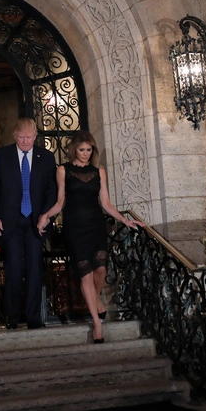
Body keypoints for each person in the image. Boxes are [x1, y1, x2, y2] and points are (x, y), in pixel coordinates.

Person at [37, 131, 143, 343]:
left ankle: (94, 298)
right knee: (85, 274)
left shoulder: (99, 171)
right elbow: (60, 202)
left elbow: (105, 203)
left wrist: (125, 221)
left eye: (88, 150)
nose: (85, 154)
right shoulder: (63, 170)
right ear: (74, 149)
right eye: (81, 150)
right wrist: (45, 216)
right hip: (74, 227)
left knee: (101, 269)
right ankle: (97, 323)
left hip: (95, 225)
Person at [0, 118, 58, 329]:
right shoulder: (1, 156)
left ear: (35, 136)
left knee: (35, 269)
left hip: (37, 222)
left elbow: (51, 190)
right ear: (14, 136)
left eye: (30, 137)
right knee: (13, 268)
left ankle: (34, 317)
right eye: (22, 137)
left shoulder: (46, 157)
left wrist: (46, 215)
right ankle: (12, 316)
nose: (26, 141)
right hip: (10, 222)